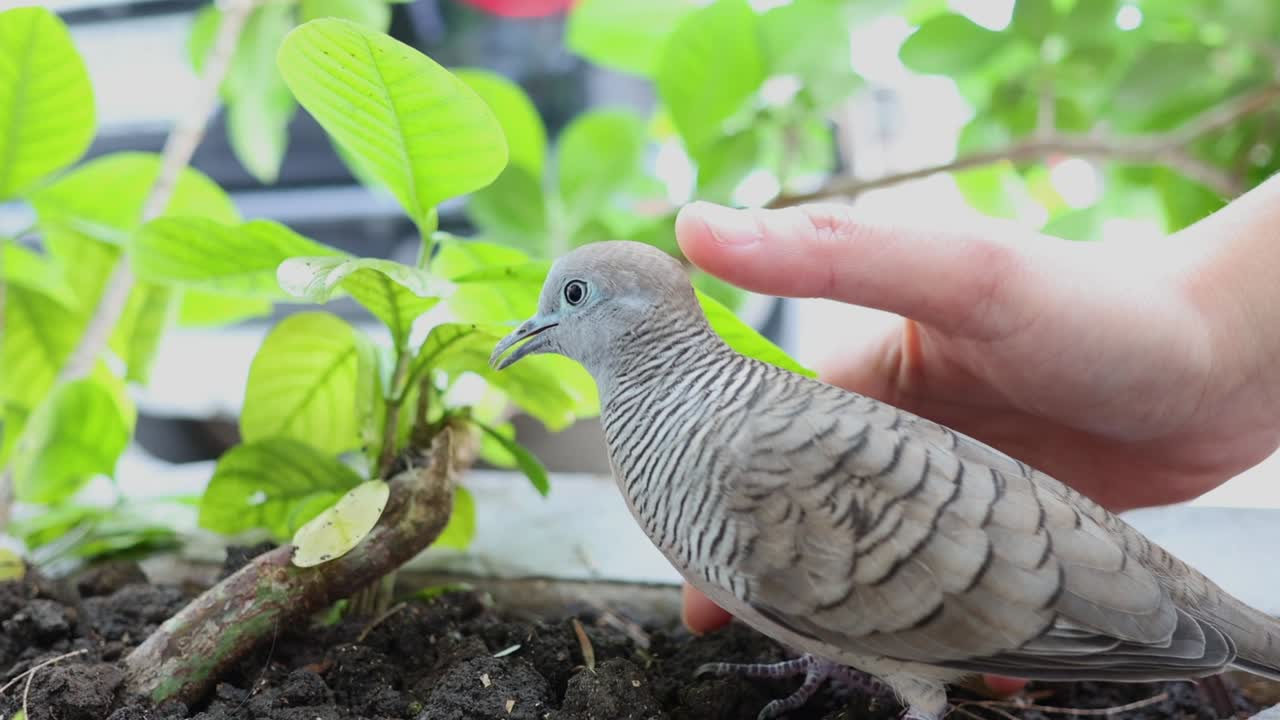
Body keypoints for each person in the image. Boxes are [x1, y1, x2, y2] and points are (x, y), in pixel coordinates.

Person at [670, 173, 1280, 696]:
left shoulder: (732, 467)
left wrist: (1223, 336)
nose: (564, 319)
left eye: (573, 297)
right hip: (1018, 578)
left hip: (1048, 597)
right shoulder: (710, 451)